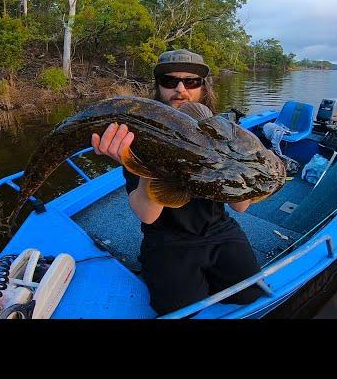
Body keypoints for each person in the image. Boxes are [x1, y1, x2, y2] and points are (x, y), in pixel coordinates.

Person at [91, 49, 265, 316]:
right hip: (167, 239)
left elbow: (240, 208)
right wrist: (146, 164)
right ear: (158, 87)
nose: (181, 89)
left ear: (203, 89)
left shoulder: (226, 135)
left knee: (252, 293)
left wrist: (248, 163)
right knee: (180, 310)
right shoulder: (139, 139)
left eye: (191, 82)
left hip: (220, 231)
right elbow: (148, 217)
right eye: (170, 81)